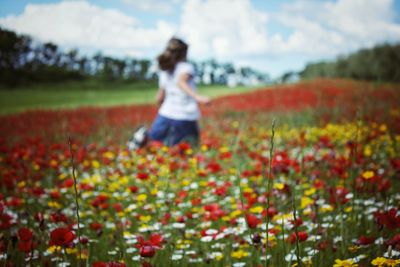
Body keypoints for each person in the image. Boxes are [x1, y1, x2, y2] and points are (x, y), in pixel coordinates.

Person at [128, 37, 210, 149]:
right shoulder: (186, 67)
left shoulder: (165, 69)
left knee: (154, 141)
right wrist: (197, 97)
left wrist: (160, 107)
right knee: (190, 147)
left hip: (166, 114)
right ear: (183, 53)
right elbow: (181, 82)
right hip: (184, 115)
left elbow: (160, 96)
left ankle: (141, 137)